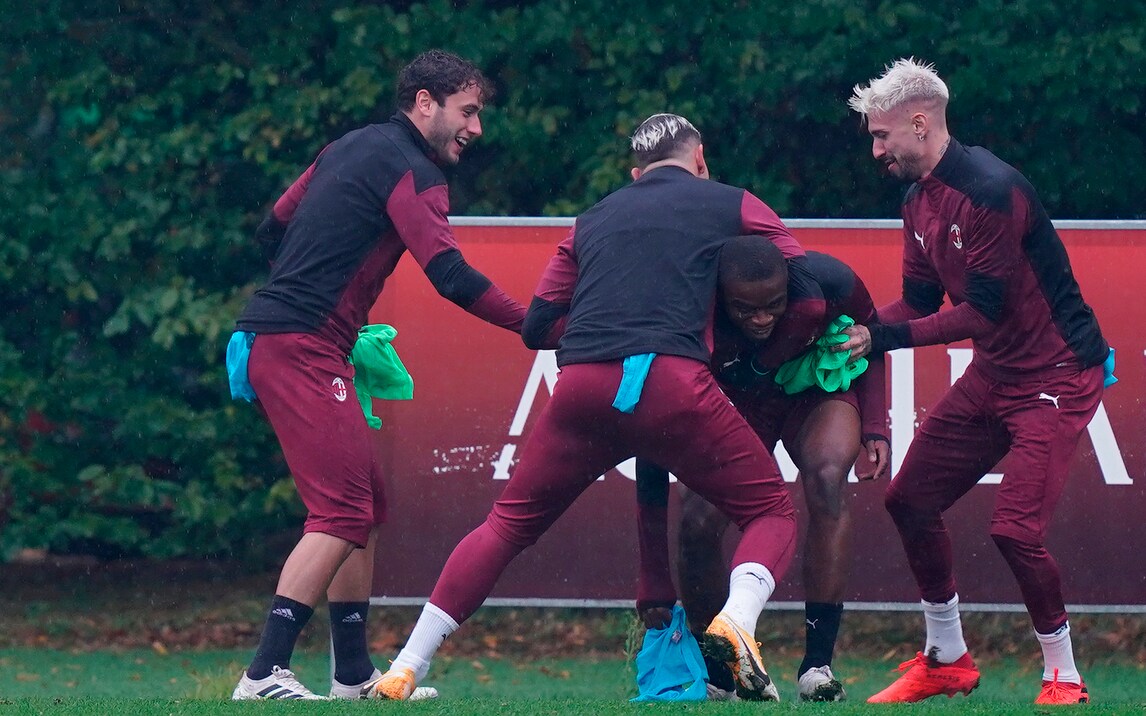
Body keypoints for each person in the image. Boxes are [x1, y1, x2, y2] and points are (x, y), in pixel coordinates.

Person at [367, 113, 818, 702]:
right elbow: (805, 288)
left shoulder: (592, 218)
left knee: (504, 527)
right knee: (771, 511)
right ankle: (736, 621)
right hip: (674, 381)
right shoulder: (732, 201)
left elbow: (537, 326)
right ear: (700, 159)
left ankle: (405, 666)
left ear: (636, 174)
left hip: (583, 382)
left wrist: (606, 334)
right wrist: (742, 351)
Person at [227, 49, 526, 700]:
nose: (476, 128)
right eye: (468, 112)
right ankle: (264, 672)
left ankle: (352, 676)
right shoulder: (416, 172)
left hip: (291, 339)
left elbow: (271, 227)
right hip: (302, 345)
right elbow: (450, 276)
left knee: (364, 505)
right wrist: (536, 325)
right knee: (340, 511)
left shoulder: (346, 147)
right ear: (425, 103)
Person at [841, 58, 1110, 705]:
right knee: (909, 501)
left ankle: (1064, 676)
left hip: (1059, 374)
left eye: (881, 136)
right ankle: (947, 659)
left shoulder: (991, 190)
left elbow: (980, 313)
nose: (875, 150)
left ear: (919, 123)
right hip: (996, 373)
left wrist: (880, 339)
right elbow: (918, 303)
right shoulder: (916, 199)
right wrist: (849, 330)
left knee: (1014, 530)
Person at [634, 238, 890, 702]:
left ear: (791, 286)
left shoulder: (830, 280)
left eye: (774, 306)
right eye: (745, 309)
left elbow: (872, 339)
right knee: (697, 518)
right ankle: (721, 673)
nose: (761, 319)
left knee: (828, 479)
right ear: (719, 296)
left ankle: (817, 666)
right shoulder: (688, 307)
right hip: (741, 405)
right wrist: (654, 576)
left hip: (812, 393)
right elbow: (651, 440)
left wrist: (875, 425)